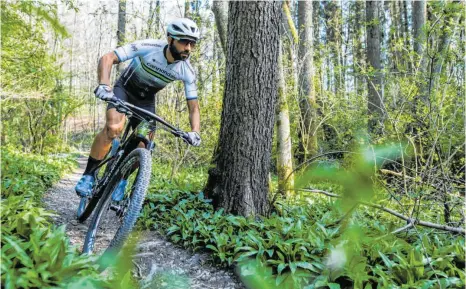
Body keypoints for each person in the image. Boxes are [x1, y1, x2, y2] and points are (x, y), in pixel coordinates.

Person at [75, 18, 201, 199]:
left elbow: (194, 107)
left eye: (192, 44)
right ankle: (89, 174)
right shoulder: (149, 46)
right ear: (170, 39)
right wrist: (104, 84)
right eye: (184, 41)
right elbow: (108, 58)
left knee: (145, 145)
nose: (188, 48)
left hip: (146, 101)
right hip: (124, 90)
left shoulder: (186, 70)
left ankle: (121, 180)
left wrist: (195, 131)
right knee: (113, 129)